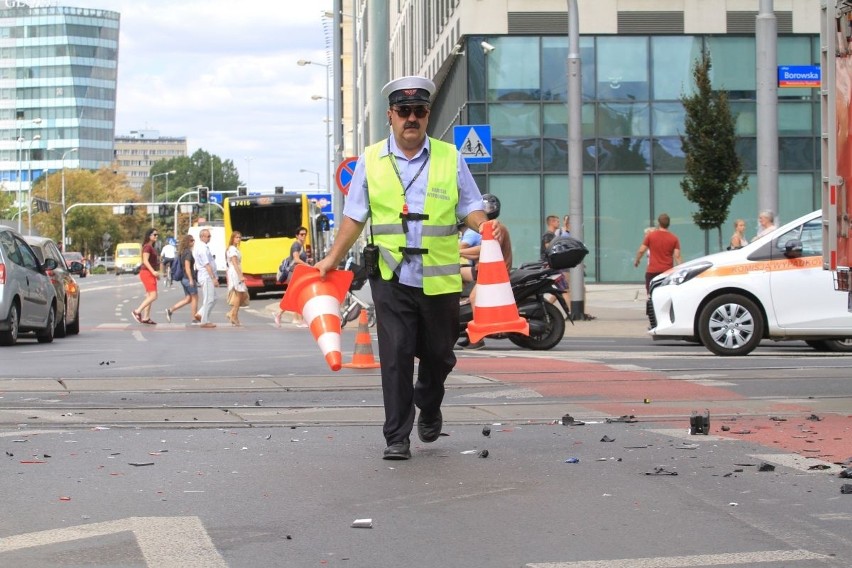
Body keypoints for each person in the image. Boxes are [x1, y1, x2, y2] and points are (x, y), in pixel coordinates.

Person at [313, 75, 501, 461]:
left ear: (428, 115)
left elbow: (470, 207)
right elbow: (354, 216)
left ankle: (428, 404)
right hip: (391, 274)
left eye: (419, 111)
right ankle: (396, 437)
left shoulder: (451, 157)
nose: (411, 118)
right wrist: (331, 259)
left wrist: (484, 226)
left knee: (440, 356)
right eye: (404, 111)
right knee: (396, 355)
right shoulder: (370, 160)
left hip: (440, 277)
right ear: (390, 116)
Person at [457, 193, 512, 350]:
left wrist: (458, 253)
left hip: (495, 275)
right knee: (456, 271)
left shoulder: (496, 228)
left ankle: (478, 338)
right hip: (483, 271)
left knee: (476, 298)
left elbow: (484, 249)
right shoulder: (489, 227)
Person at [634, 213, 682, 294]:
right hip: (667, 271)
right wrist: (681, 269)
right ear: (669, 224)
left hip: (652, 271)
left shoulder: (651, 236)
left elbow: (641, 250)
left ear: (659, 223)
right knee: (665, 294)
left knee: (651, 295)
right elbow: (677, 256)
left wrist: (637, 260)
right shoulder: (674, 238)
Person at [274, 226, 312, 328]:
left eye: (305, 234)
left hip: (298, 273)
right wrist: (307, 265)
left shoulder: (301, 245)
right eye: (301, 234)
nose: (303, 236)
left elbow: (299, 259)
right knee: (297, 295)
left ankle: (280, 314)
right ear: (297, 235)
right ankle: (301, 320)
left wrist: (307, 261)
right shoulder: (296, 245)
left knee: (294, 295)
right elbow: (296, 259)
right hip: (293, 274)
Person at [166, 234, 199, 324]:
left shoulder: (182, 252)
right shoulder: (188, 252)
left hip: (183, 279)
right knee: (195, 298)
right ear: (187, 242)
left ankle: (170, 310)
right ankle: (194, 318)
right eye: (192, 240)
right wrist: (191, 279)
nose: (193, 242)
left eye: (193, 240)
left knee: (188, 299)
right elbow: (187, 267)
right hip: (188, 278)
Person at [131, 228, 160, 325]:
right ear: (149, 236)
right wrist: (153, 272)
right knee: (153, 295)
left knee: (149, 296)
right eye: (154, 235)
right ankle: (137, 311)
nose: (156, 236)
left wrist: (155, 273)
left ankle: (146, 317)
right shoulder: (147, 247)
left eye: (157, 235)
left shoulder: (151, 247)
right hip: (147, 273)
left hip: (150, 273)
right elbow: (145, 261)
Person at [193, 228, 219, 328]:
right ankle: (205, 321)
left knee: (214, 298)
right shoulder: (202, 248)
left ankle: (200, 314)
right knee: (209, 299)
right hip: (206, 276)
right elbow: (206, 264)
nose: (209, 238)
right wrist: (213, 278)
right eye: (208, 236)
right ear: (202, 237)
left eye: (209, 236)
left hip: (207, 276)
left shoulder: (204, 247)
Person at [225, 231, 248, 326]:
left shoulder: (235, 249)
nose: (238, 239)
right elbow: (234, 263)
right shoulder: (232, 249)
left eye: (239, 237)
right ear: (232, 238)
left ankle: (233, 314)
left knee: (241, 294)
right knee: (239, 293)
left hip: (236, 271)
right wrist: (240, 275)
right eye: (236, 237)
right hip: (235, 272)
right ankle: (233, 315)